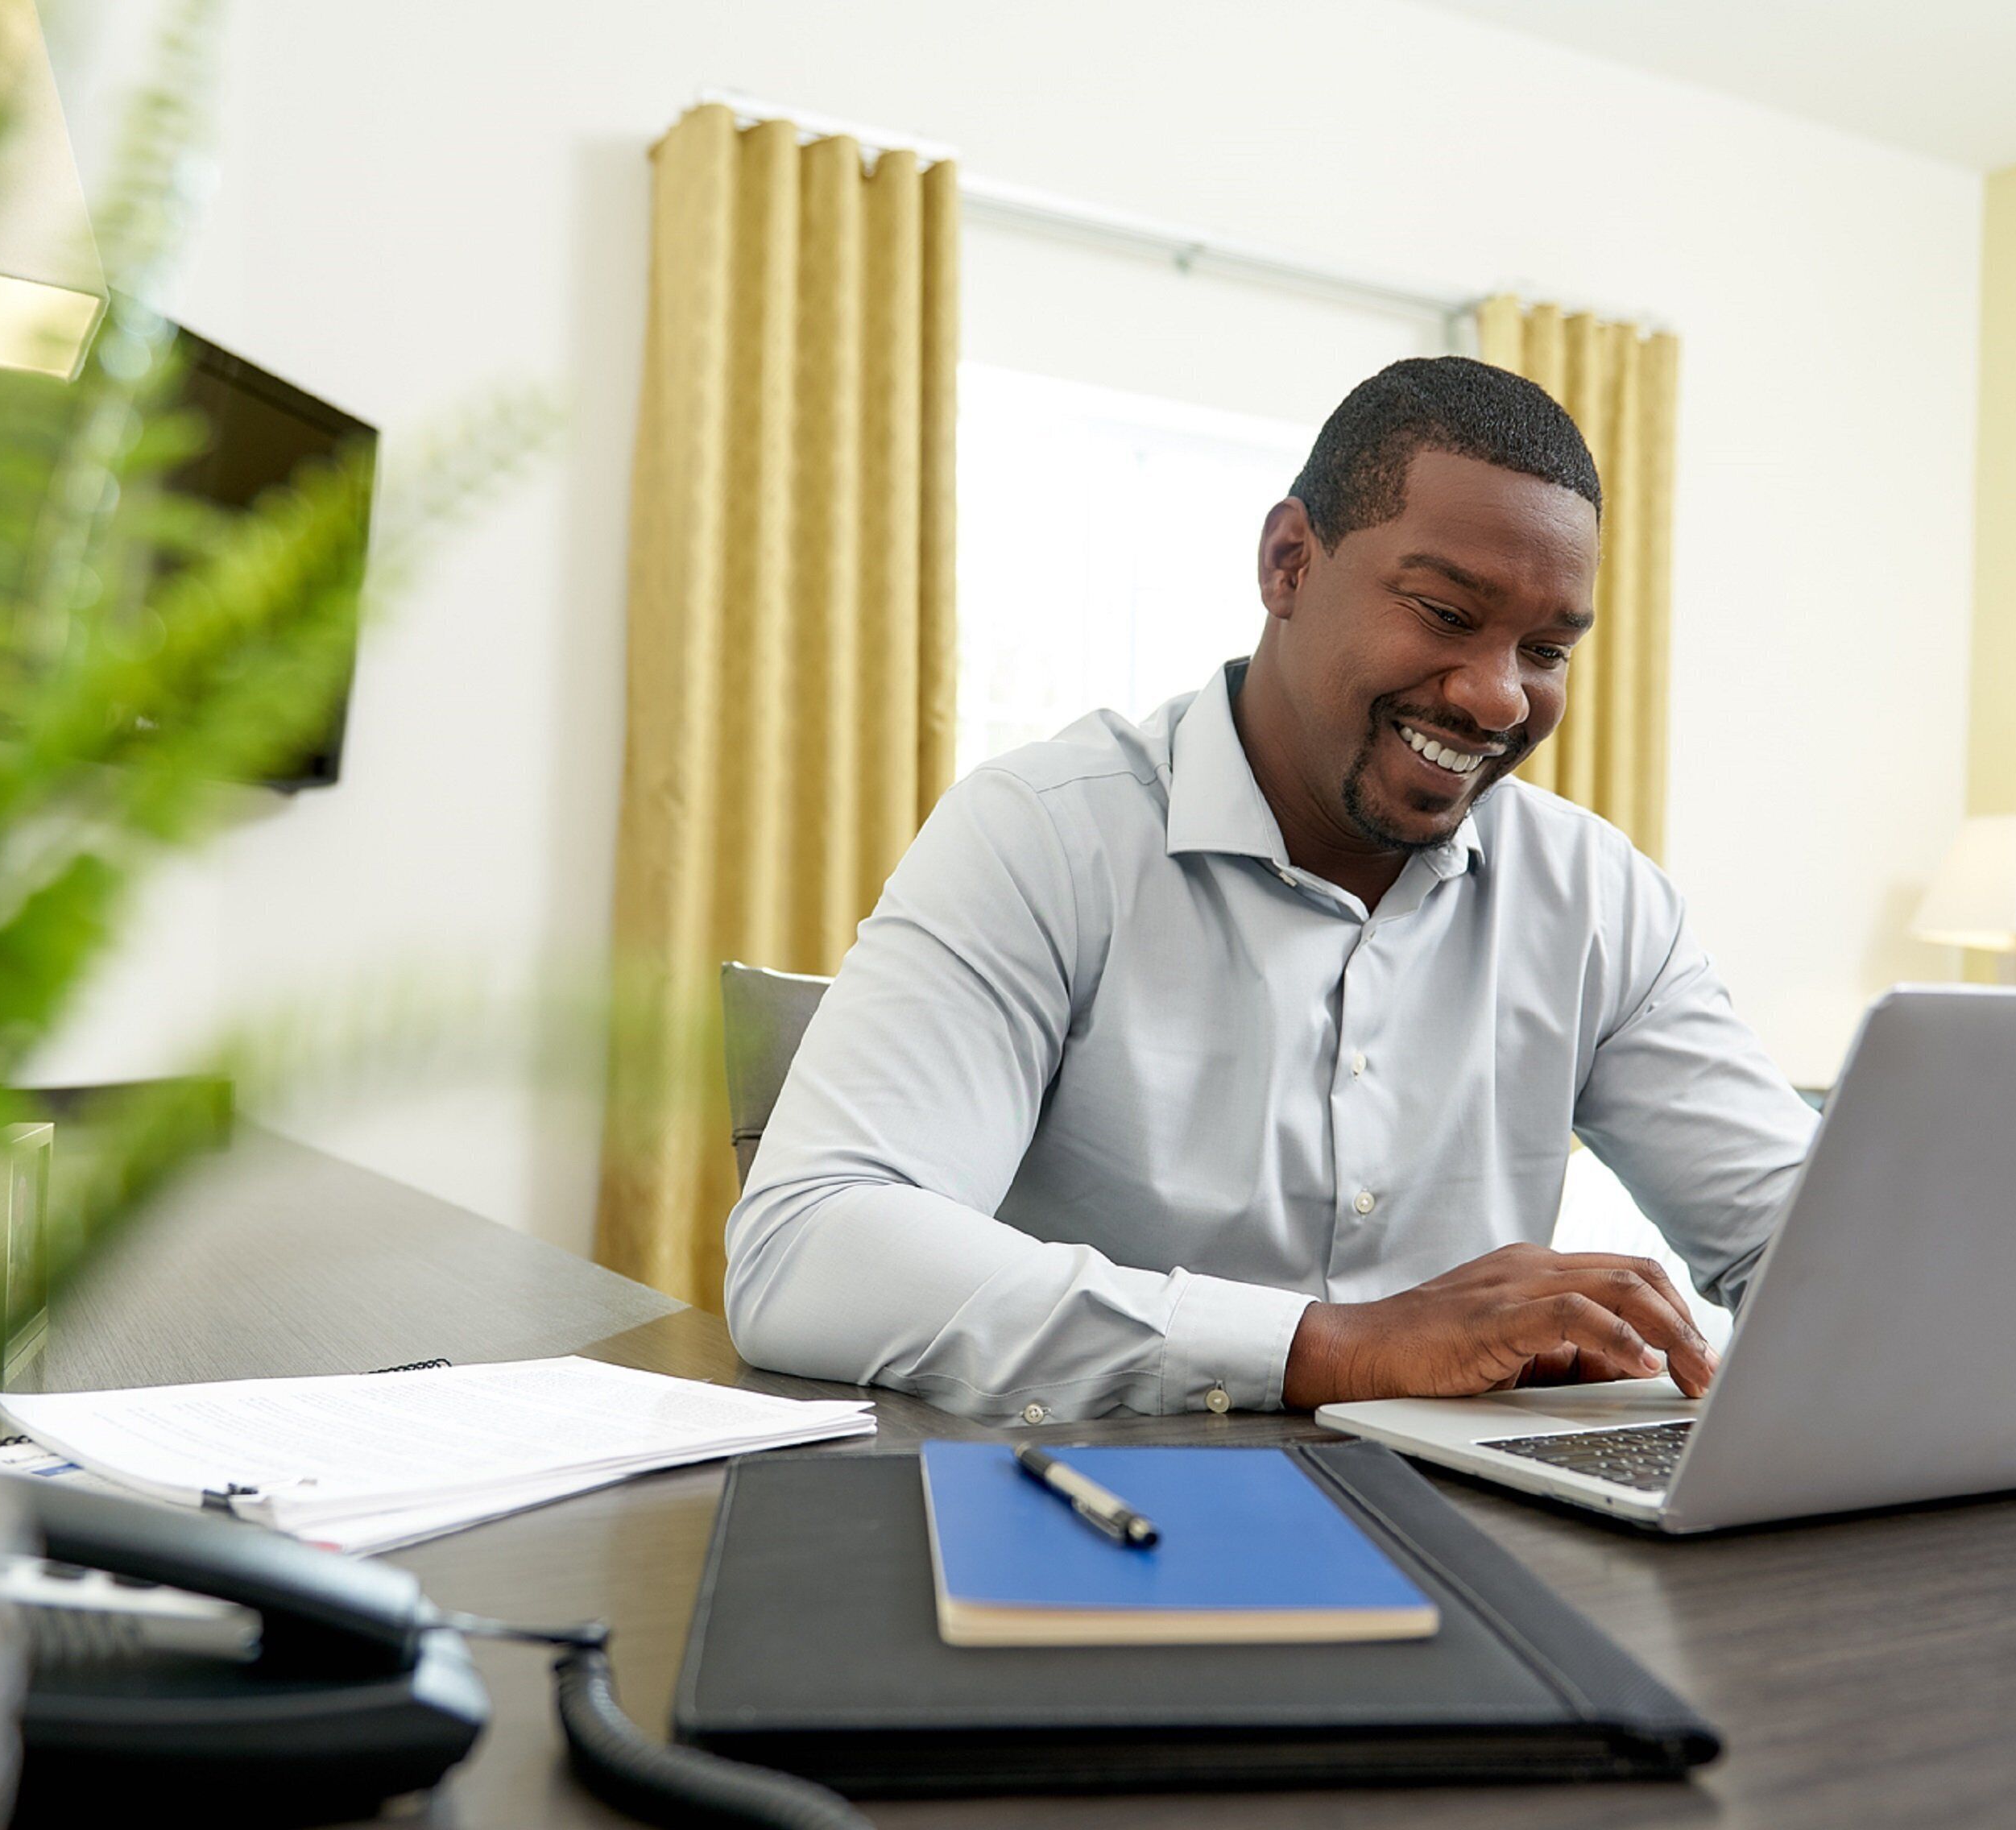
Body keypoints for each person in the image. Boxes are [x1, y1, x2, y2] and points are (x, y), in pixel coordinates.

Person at [726, 357, 1817, 1423]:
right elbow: (811, 1249)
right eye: (1443, 612)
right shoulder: (1046, 836)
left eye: (1543, 649)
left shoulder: (1598, 897)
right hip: (1107, 1505)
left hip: (1478, 1528)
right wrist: (1331, 1346)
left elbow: (1813, 1246)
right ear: (1289, 561)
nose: (1496, 698)